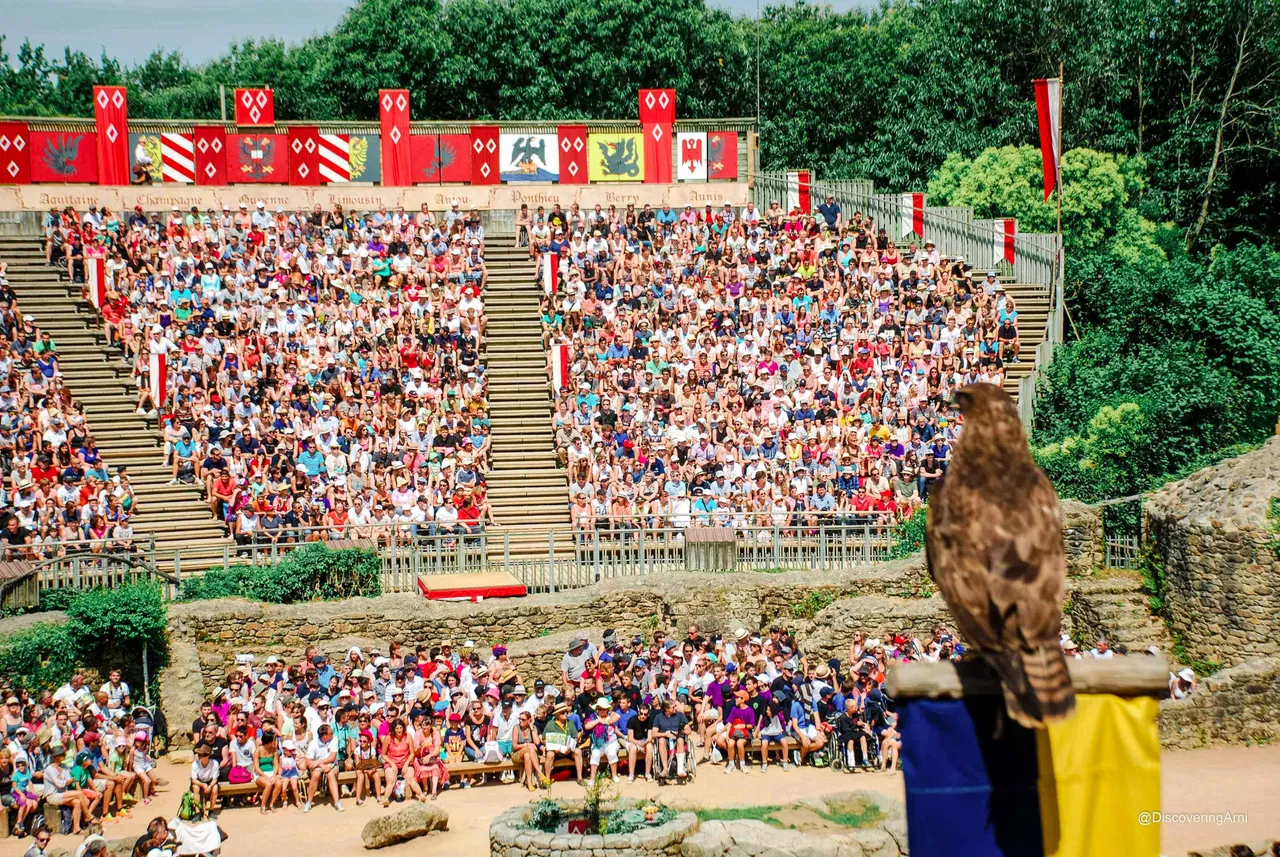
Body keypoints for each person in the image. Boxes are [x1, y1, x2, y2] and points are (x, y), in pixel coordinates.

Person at [303, 723, 343, 813]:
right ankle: (309, 802)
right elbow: (308, 762)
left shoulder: (334, 740)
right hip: (317, 766)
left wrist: (318, 762)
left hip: (330, 764)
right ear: (324, 736)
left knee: (331, 774)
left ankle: (337, 802)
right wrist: (320, 765)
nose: (333, 734)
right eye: (331, 733)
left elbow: (332, 758)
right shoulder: (313, 743)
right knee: (316, 774)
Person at [542, 703, 583, 784]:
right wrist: (553, 748)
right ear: (557, 714)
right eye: (563, 712)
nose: (565, 714)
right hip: (555, 751)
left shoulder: (570, 723)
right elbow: (544, 739)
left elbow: (575, 737)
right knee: (550, 754)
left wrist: (570, 747)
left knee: (578, 751)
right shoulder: (550, 724)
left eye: (566, 712)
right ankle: (547, 779)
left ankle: (580, 778)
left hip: (568, 750)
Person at [651, 696, 690, 780]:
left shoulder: (680, 715)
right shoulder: (659, 717)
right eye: (673, 707)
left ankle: (680, 769)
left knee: (680, 739)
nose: (676, 708)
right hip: (665, 738)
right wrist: (665, 734)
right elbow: (653, 734)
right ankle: (665, 769)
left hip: (677, 737)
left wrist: (680, 732)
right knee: (661, 740)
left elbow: (689, 730)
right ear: (666, 709)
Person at [189, 743, 220, 817]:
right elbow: (194, 780)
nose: (199, 757)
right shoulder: (195, 764)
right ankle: (197, 812)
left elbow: (215, 779)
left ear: (208, 756)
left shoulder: (215, 763)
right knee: (195, 787)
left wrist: (209, 786)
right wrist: (202, 784)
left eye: (201, 755)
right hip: (199, 781)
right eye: (198, 755)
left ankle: (211, 810)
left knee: (215, 788)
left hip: (210, 781)